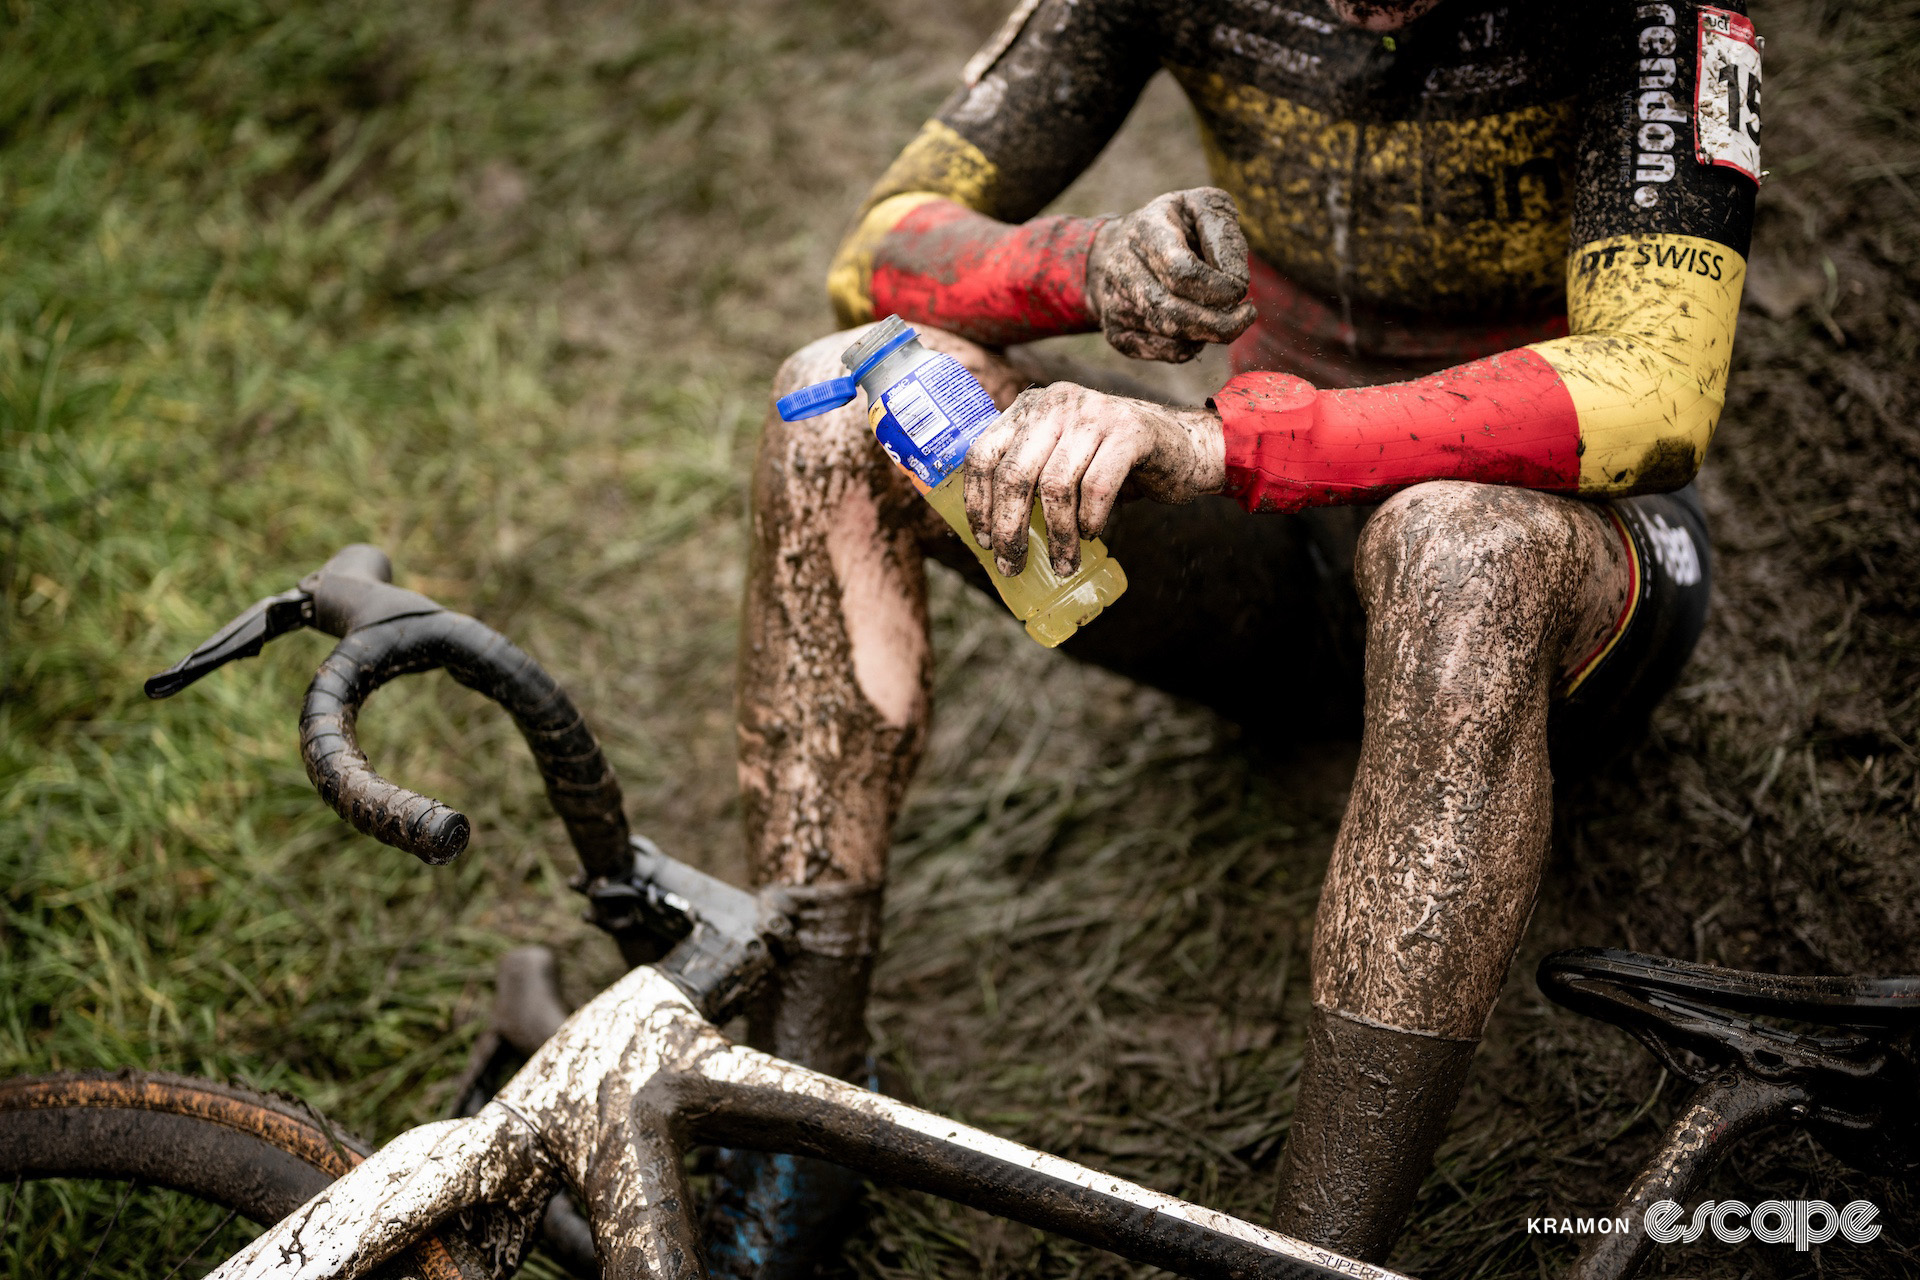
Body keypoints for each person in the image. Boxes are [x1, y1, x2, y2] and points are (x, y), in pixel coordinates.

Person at [710, 0, 1758, 1272]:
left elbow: (1659, 384)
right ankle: (793, 1101)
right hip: (1284, 543)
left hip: (1567, 564)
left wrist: (1228, 441)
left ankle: (1321, 1255)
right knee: (842, 395)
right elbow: (876, 250)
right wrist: (1085, 266)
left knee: (1460, 548)